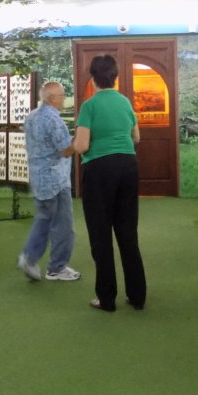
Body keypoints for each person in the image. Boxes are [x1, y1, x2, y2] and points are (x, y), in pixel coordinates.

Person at [72, 55, 146, 311]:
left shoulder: (89, 106)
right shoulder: (125, 102)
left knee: (100, 235)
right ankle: (137, 296)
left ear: (93, 79)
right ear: (115, 78)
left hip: (99, 170)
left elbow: (81, 145)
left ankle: (106, 298)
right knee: (128, 234)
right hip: (128, 166)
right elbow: (136, 137)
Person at [17, 81, 81, 282]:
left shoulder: (32, 117)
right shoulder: (54, 120)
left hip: (39, 177)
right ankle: (54, 267)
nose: (64, 99)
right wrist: (79, 142)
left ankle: (31, 257)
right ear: (53, 98)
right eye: (62, 96)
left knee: (44, 218)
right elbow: (65, 150)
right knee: (63, 225)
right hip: (56, 179)